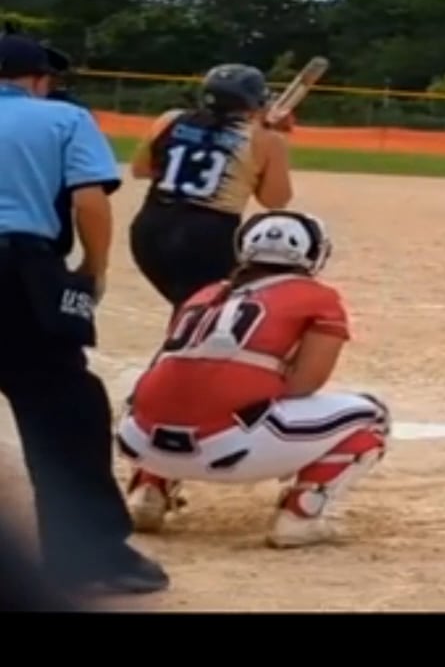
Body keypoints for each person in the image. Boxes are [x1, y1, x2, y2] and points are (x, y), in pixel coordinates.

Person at [0, 32, 169, 595]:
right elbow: (88, 201)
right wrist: (92, 269)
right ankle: (90, 556)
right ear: (37, 80)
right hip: (19, 271)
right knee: (63, 411)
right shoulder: (64, 118)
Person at [116, 208, 390, 549]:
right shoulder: (318, 297)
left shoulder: (205, 293)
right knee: (373, 417)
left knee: (171, 391)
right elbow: (307, 383)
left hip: (140, 442)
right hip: (229, 449)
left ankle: (147, 491)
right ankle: (301, 516)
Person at [127, 64, 294, 309]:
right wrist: (271, 141)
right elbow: (275, 200)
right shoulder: (267, 140)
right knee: (212, 312)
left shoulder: (170, 119)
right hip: (208, 235)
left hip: (151, 229)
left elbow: (140, 169)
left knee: (188, 306)